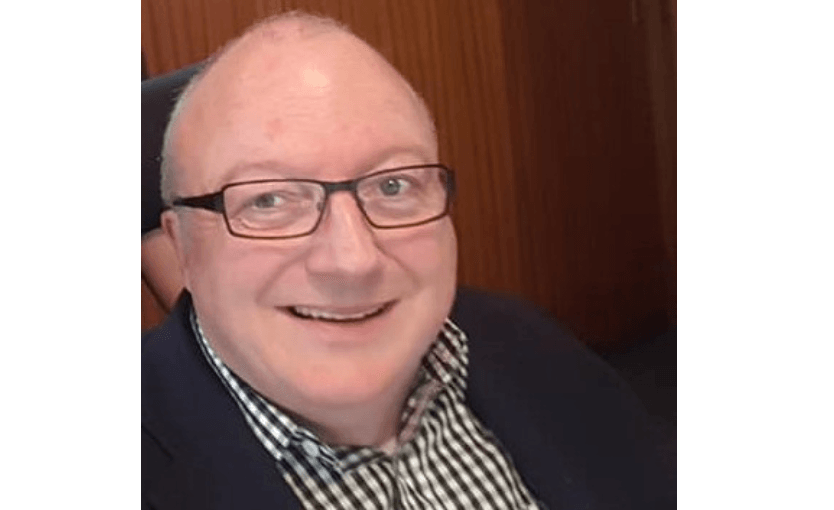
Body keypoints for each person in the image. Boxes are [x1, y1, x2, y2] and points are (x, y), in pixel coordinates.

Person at [142, 11, 674, 509]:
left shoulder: (529, 342)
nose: (352, 260)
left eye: (393, 186)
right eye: (269, 201)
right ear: (182, 245)